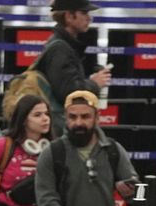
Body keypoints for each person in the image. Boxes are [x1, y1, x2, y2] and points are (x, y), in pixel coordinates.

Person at [36, 0, 111, 131]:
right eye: (84, 13)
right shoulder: (60, 48)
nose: (89, 18)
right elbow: (67, 92)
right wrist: (94, 83)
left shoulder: (64, 45)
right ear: (69, 16)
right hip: (59, 127)